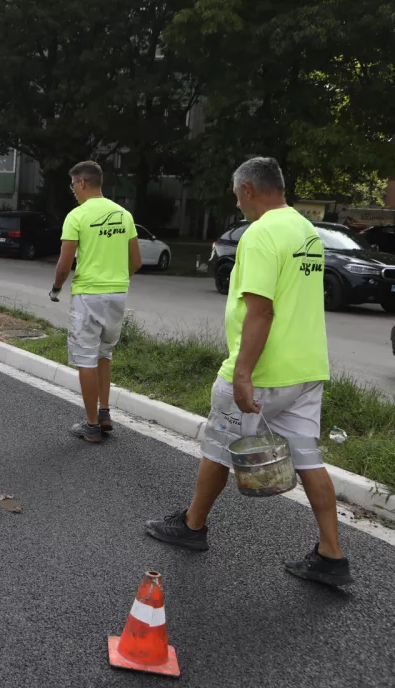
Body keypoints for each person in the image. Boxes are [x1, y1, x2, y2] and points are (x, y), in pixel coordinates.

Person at [145, 157, 350, 586]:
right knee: (309, 458)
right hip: (306, 368)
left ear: (250, 190)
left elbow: (261, 310)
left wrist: (242, 373)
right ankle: (331, 554)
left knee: (219, 444)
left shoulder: (259, 235)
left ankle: (193, 525)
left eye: (237, 193)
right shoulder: (306, 231)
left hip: (263, 370)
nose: (237, 201)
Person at [50, 161, 142, 443]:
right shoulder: (123, 215)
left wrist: (56, 287)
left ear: (81, 183)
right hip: (118, 295)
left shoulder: (77, 216)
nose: (73, 191)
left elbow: (65, 264)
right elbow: (136, 261)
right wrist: (115, 279)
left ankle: (91, 426)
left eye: (73, 186)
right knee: (104, 354)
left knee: (86, 359)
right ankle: (104, 412)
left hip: (89, 296)